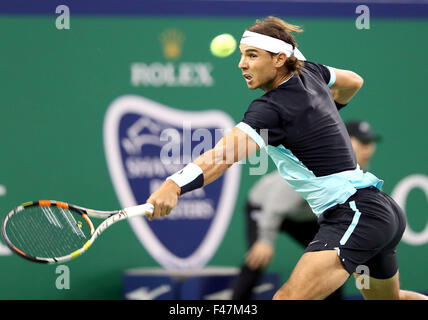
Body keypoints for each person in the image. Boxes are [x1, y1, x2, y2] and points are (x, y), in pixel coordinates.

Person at [144, 16, 428, 300]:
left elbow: (221, 158)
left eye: (252, 55)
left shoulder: (271, 109)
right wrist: (321, 116)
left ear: (279, 59)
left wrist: (173, 185)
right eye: (242, 55)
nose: (242, 64)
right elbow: (353, 81)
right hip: (380, 211)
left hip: (355, 213)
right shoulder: (312, 73)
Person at [231, 119, 380, 300]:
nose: (369, 149)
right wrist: (265, 240)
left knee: (330, 260)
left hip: (302, 215)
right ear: (346, 140)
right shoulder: (320, 163)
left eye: (371, 143)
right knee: (258, 256)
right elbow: (276, 201)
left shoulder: (359, 169)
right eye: (363, 142)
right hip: (266, 205)